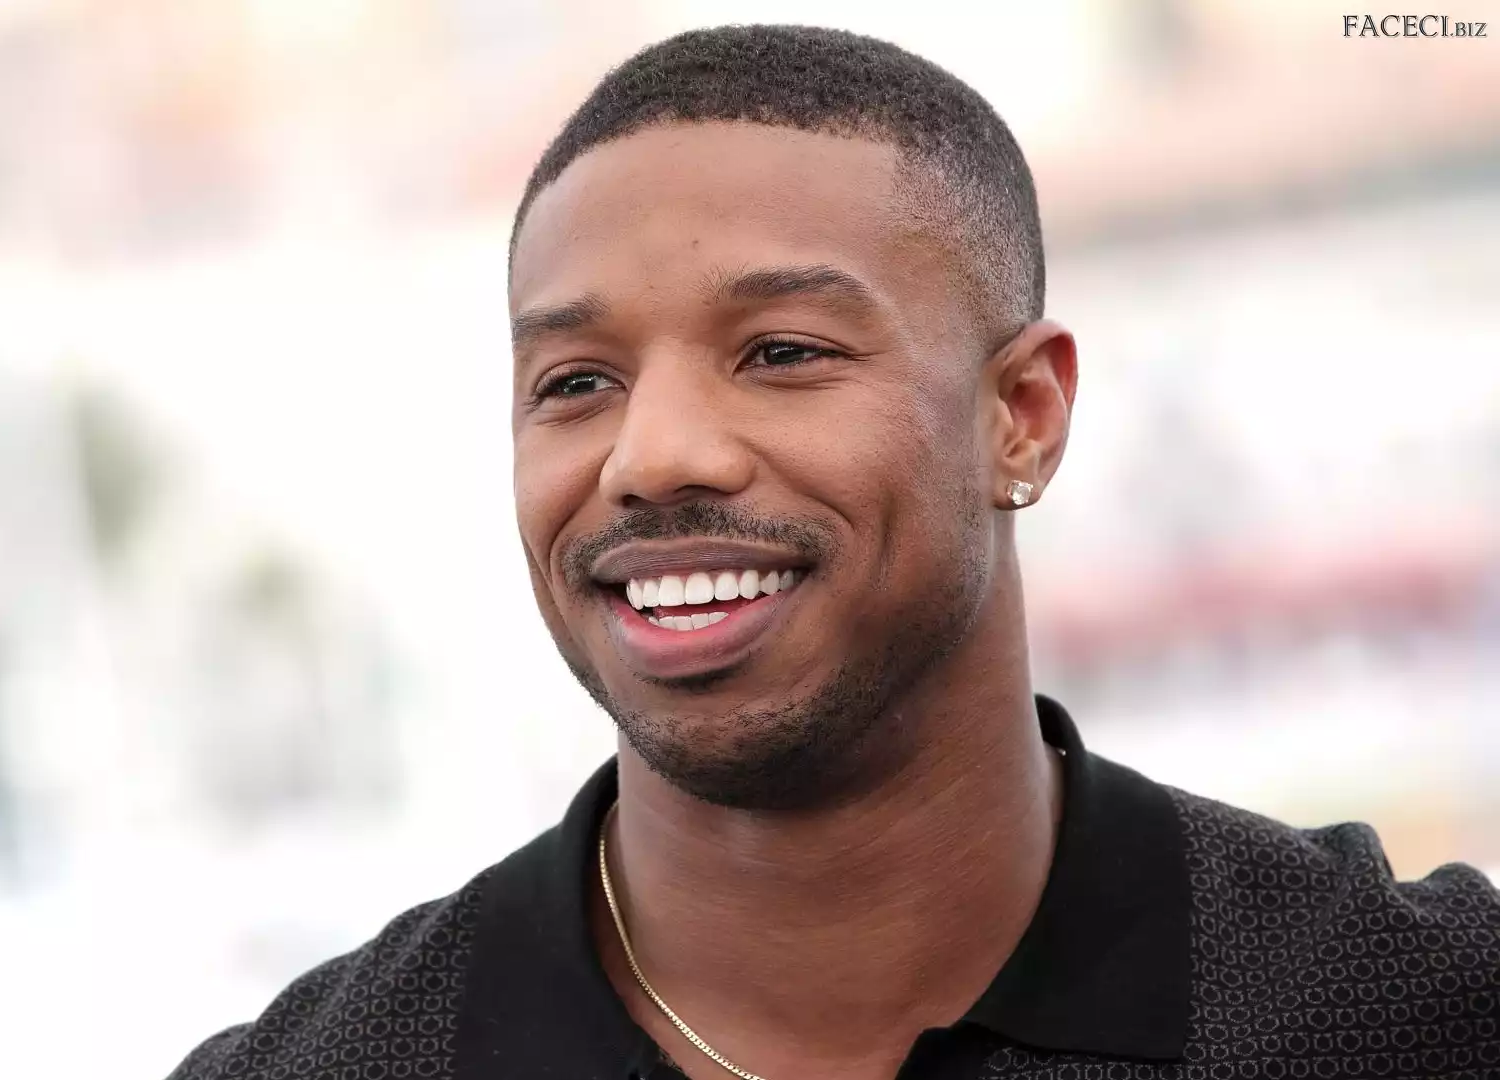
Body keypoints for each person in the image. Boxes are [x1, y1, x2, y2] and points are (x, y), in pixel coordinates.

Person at [171, 25, 1500, 1080]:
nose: (651, 456)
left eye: (782, 353)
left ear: (1021, 416)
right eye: (575, 382)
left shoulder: (1409, 1013)